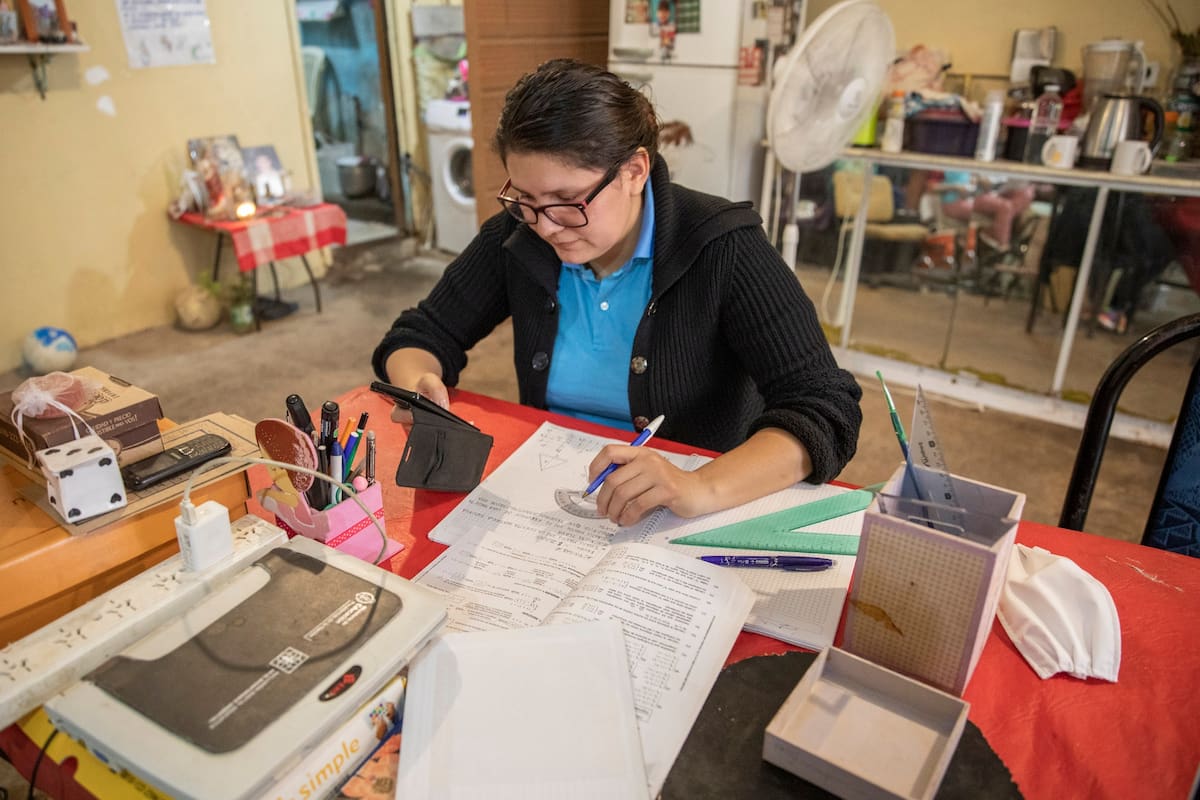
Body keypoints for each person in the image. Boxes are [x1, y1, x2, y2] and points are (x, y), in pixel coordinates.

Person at [373, 59, 862, 526]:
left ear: (634, 171)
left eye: (567, 202)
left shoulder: (722, 248)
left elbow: (824, 408)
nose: (546, 226)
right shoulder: (517, 236)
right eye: (525, 200)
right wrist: (420, 384)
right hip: (554, 497)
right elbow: (423, 332)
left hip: (682, 512)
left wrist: (698, 486)